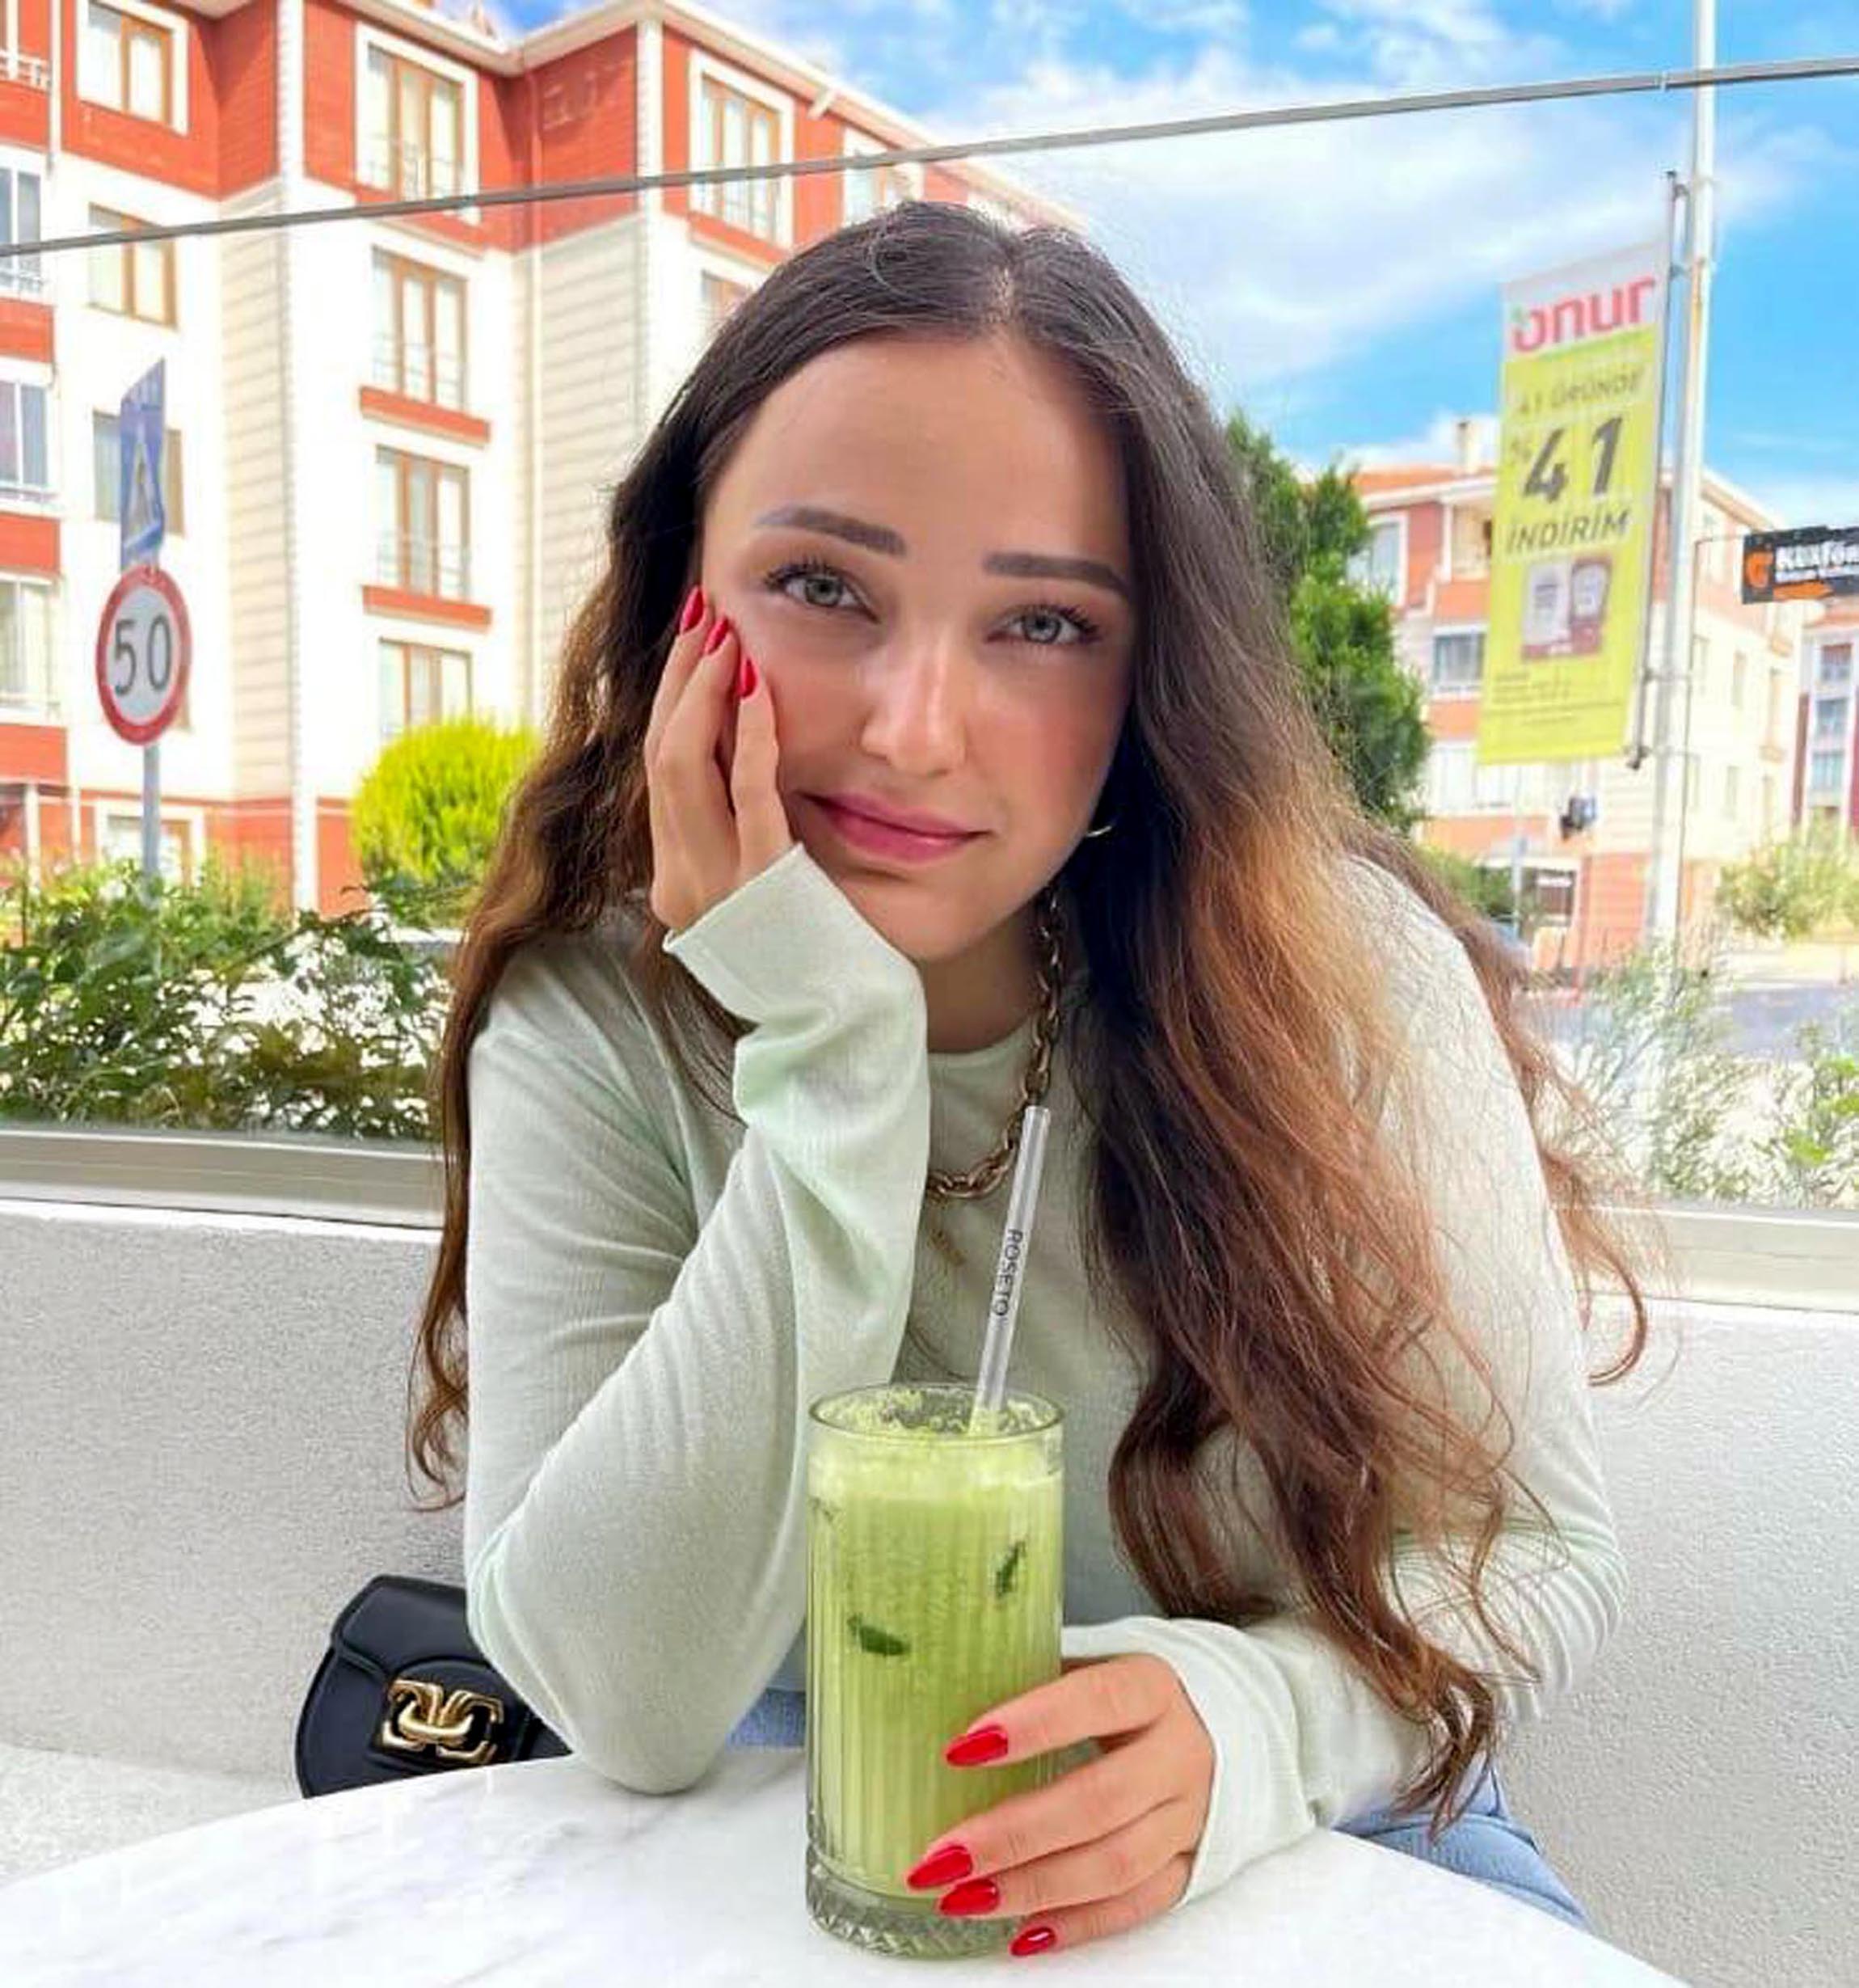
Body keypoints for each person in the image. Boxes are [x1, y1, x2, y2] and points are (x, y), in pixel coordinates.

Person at [407, 200, 1655, 1957]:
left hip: (1314, 1791)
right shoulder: (594, 1017)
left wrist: (1261, 1717)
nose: (916, 728)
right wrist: (832, 1047)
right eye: (823, 587)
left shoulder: (1346, 980)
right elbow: (625, 1695)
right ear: (685, 597)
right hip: (790, 1801)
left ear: (1148, 672)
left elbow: (1535, 1550)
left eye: (1046, 623)